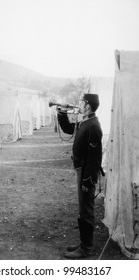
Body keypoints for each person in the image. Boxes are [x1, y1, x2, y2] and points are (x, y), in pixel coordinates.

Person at [57, 93, 103, 259]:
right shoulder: (86, 121)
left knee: (86, 210)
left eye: (82, 102)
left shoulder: (93, 126)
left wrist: (88, 180)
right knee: (83, 209)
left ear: (88, 105)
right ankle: (84, 244)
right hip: (81, 170)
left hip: (85, 173)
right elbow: (69, 129)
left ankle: (86, 248)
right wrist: (61, 113)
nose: (79, 104)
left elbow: (95, 158)